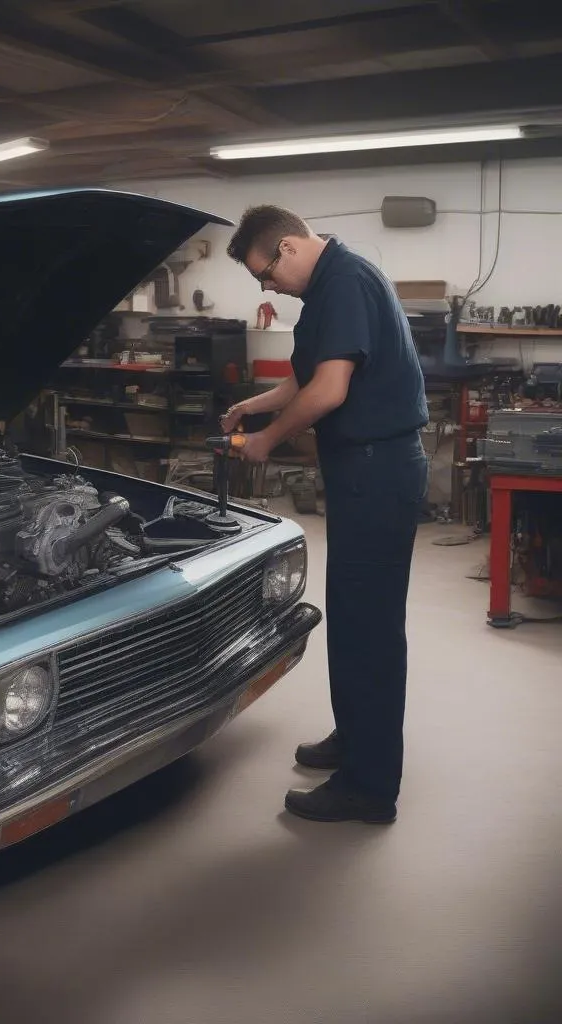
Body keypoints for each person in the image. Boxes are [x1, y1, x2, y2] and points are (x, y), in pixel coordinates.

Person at [221, 205, 428, 824]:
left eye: (265, 275)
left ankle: (369, 787)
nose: (267, 288)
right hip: (364, 469)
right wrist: (249, 408)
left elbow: (330, 390)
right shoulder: (334, 286)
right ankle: (356, 738)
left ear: (286, 247)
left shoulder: (344, 284)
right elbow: (305, 377)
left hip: (378, 469)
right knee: (353, 616)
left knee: (368, 627)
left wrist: (268, 440)